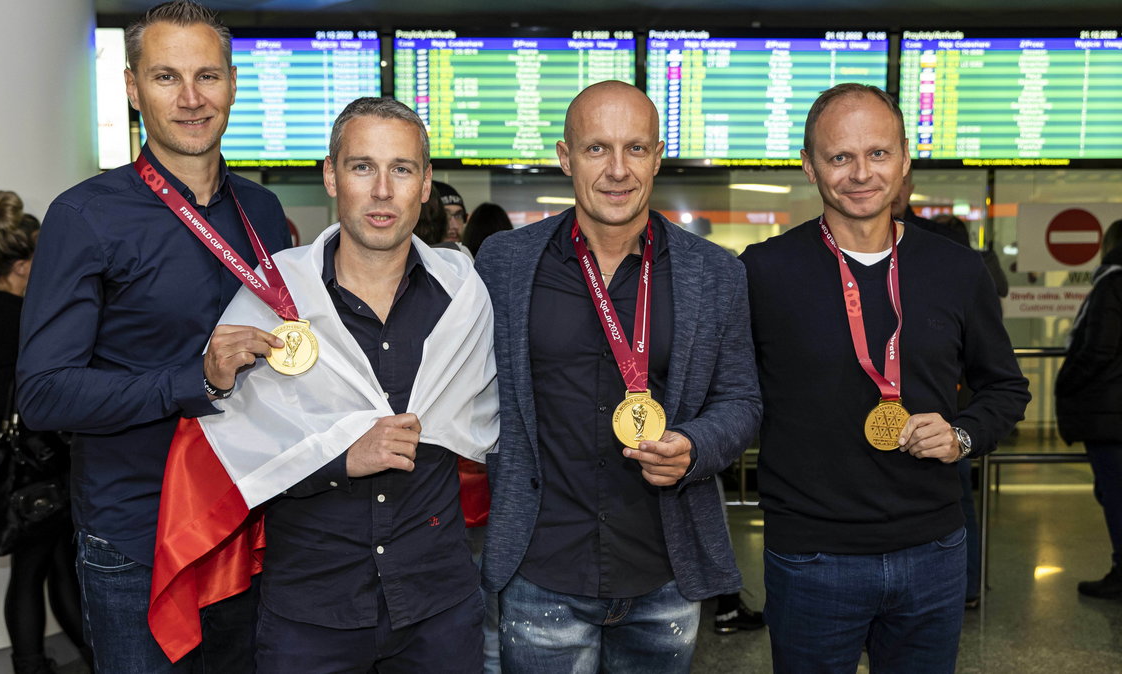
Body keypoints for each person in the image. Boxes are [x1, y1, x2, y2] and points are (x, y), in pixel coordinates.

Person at [15, 2, 291, 672]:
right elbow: (44, 393)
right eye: (167, 78)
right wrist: (189, 378)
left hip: (250, 526)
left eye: (209, 76)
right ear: (134, 88)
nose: (192, 98)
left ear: (232, 83)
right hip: (139, 539)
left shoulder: (262, 211)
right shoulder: (86, 215)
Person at [186, 96, 496, 672]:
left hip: (438, 607)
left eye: (401, 169)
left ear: (425, 184)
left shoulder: (467, 298)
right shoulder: (272, 296)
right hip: (312, 610)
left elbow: (501, 422)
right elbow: (237, 446)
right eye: (361, 167)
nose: (382, 190)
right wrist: (340, 456)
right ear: (331, 175)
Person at [740, 83, 1031, 672]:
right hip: (812, 557)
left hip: (935, 551)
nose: (860, 173)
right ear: (809, 167)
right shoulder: (763, 272)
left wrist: (962, 435)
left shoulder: (957, 269)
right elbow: (728, 391)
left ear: (903, 161)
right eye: (839, 156)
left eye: (877, 154)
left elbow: (1005, 387)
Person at [476, 80, 762, 672]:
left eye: (635, 149)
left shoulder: (714, 273)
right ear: (564, 157)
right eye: (596, 149)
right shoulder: (503, 264)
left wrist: (695, 445)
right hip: (540, 567)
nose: (617, 170)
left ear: (657, 157)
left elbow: (741, 400)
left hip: (664, 570)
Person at [0, 190, 90, 674]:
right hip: (35, 463)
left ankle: (55, 663)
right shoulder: (20, 316)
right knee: (43, 571)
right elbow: (17, 396)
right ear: (20, 266)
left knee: (45, 570)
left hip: (6, 461)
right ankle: (40, 664)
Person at [1057, 219, 1122, 600]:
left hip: (1110, 413)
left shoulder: (1111, 282)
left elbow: (1097, 348)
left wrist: (1066, 381)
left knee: (1114, 492)